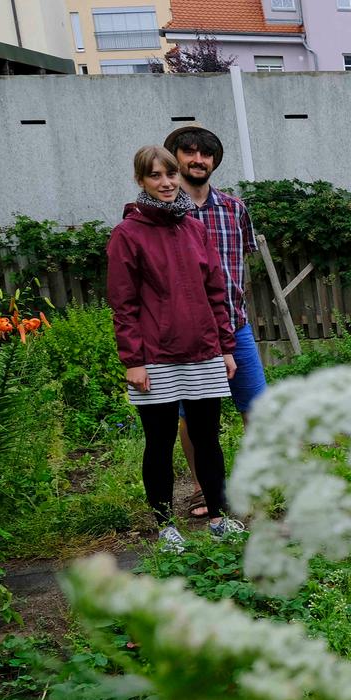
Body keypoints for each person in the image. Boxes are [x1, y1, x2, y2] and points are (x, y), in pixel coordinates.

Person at [107, 146, 243, 551]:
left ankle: (218, 517)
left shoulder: (195, 229)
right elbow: (123, 303)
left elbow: (216, 292)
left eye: (170, 175)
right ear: (141, 181)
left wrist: (225, 347)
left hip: (203, 352)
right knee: (160, 441)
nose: (166, 183)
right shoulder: (127, 234)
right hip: (155, 359)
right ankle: (166, 525)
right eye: (155, 176)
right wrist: (133, 361)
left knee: (208, 439)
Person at [163, 124, 267, 520]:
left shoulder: (234, 208)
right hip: (191, 336)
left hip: (235, 326)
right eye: (188, 153)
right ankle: (208, 490)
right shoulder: (165, 214)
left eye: (205, 154)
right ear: (175, 159)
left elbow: (242, 260)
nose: (197, 160)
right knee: (194, 418)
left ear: (214, 161)